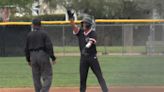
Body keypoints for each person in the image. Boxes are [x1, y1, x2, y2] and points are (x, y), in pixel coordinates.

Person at [69, 17, 108, 92]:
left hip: (92, 58)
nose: (83, 24)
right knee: (82, 79)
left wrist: (86, 48)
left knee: (99, 76)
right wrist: (71, 19)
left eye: (85, 23)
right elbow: (74, 27)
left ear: (89, 25)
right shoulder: (80, 32)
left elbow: (90, 42)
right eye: (83, 23)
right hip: (83, 59)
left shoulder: (93, 33)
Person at [25, 18, 56, 92]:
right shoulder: (44, 34)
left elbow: (26, 48)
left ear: (33, 25)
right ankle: (44, 90)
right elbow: (49, 46)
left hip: (33, 56)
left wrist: (28, 59)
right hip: (42, 55)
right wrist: (53, 57)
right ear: (40, 25)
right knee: (48, 76)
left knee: (36, 77)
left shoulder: (29, 35)